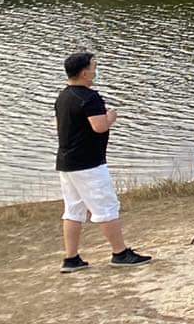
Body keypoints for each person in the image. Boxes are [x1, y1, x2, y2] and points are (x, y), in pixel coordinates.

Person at [54, 51, 150, 271]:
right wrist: (111, 117)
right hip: (89, 164)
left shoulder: (63, 97)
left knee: (73, 210)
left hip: (67, 162)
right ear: (85, 72)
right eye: (94, 67)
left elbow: (58, 127)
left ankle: (71, 258)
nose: (96, 71)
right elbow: (99, 126)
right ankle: (120, 253)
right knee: (106, 206)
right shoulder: (89, 97)